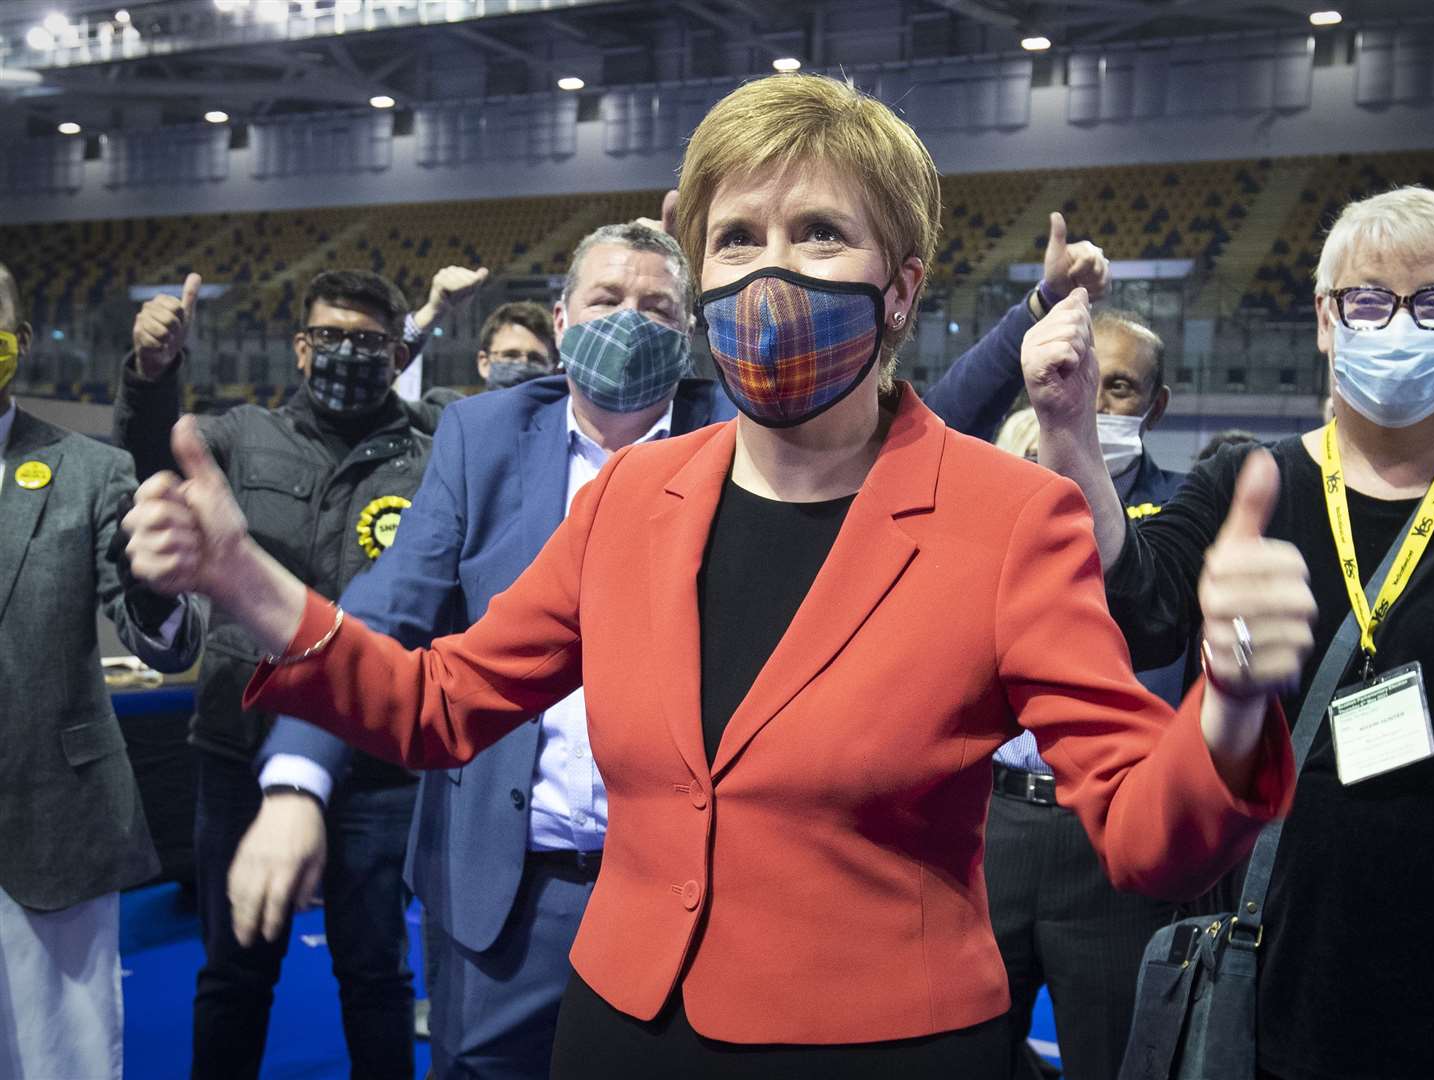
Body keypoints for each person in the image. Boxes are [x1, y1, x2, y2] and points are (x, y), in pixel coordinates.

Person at [125, 74, 1314, 1080]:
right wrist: (254, 588)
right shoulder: (639, 494)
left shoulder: (1012, 519)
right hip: (617, 1030)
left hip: (878, 1047)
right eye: (737, 238)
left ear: (900, 288)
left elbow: (1149, 836)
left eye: (820, 234)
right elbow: (441, 708)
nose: (770, 271)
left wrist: (1233, 701)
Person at [233, 200, 1106, 1080]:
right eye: (606, 299)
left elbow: (926, 417)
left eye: (655, 307)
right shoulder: (482, 436)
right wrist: (296, 771)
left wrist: (1028, 316)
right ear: (562, 318)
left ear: (692, 330)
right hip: (510, 886)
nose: (628, 322)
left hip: (724, 908)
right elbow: (400, 628)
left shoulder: (752, 434)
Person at [1032, 184, 1434, 1078]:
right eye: (1367, 299)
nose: (1398, 323)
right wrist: (1068, 434)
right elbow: (1138, 608)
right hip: (1293, 965)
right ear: (1326, 322)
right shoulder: (1252, 482)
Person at [113, 268, 449, 1080]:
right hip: (242, 743)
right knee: (234, 975)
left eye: (368, 342)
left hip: (377, 758)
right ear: (301, 347)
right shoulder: (241, 437)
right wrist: (152, 378)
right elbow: (162, 464)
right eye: (330, 336)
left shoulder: (434, 452)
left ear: (398, 352)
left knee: (375, 977)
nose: (347, 354)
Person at [0, 261, 204, 1079]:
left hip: (54, 831)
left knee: (59, 1064)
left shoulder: (89, 471)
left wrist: (160, 583)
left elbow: (160, 639)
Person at [985, 308, 1191, 1080]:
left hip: (1112, 828)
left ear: (1154, 406)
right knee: (963, 1047)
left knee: (1112, 1057)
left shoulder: (1181, 516)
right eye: (1078, 377)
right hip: (993, 818)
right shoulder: (990, 495)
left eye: (1119, 388)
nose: (1091, 401)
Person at [474, 300, 557, 389]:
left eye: (536, 359)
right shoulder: (462, 403)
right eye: (511, 355)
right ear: (484, 363)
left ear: (553, 368)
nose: (523, 364)